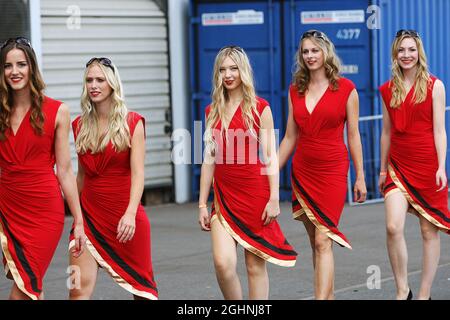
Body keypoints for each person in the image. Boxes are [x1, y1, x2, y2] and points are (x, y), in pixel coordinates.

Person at [198, 46, 297, 300]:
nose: (228, 75)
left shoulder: (260, 108)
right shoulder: (212, 111)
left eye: (233, 68)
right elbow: (209, 159)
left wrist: (274, 197)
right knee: (223, 263)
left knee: (254, 266)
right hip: (223, 198)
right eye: (222, 70)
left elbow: (271, 156)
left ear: (243, 71)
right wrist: (201, 204)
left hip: (255, 195)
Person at [278, 30, 367, 300]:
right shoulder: (296, 90)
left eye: (315, 50)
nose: (310, 56)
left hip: (332, 172)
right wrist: (268, 173)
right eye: (305, 51)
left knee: (323, 239)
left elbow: (353, 135)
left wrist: (360, 176)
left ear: (326, 52)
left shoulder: (347, 89)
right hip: (303, 172)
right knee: (316, 243)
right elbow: (290, 137)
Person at [0, 37, 86, 300]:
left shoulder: (58, 111)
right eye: (7, 66)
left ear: (32, 68)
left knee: (22, 292)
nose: (14, 71)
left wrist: (79, 221)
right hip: (7, 208)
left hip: (43, 212)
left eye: (21, 64)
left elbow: (65, 170)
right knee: (28, 285)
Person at [68, 57, 158, 300]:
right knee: (76, 289)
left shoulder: (132, 123)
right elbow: (81, 176)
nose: (94, 85)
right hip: (88, 220)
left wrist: (130, 213)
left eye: (100, 79)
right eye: (89, 80)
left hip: (126, 221)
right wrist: (70, 215)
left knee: (142, 292)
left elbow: (139, 174)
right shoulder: (78, 125)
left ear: (112, 84)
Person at [378, 29, 449, 300]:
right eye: (401, 50)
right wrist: (383, 169)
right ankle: (401, 290)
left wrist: (441, 167)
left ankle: (423, 294)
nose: (406, 55)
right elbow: (386, 132)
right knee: (393, 226)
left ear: (419, 52)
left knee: (428, 231)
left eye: (411, 49)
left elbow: (440, 131)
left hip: (429, 167)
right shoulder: (387, 89)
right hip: (397, 167)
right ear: (395, 54)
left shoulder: (435, 86)